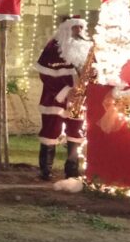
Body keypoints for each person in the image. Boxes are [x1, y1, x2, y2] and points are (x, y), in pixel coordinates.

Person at [35, 16, 92, 180]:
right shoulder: (53, 48)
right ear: (66, 29)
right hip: (55, 99)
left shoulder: (87, 48)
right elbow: (46, 75)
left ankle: (72, 170)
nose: (78, 31)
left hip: (79, 99)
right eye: (75, 27)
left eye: (81, 28)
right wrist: (66, 91)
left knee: (76, 132)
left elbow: (91, 71)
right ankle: (46, 171)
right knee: (50, 132)